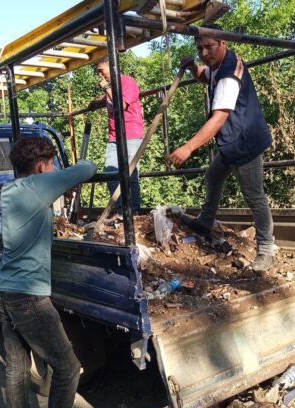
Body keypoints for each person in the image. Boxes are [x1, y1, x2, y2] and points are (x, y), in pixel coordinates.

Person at [0, 136, 97, 408]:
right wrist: (64, 179)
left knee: (17, 368)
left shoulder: (12, 189)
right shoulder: (38, 186)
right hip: (27, 296)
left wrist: (59, 183)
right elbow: (87, 168)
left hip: (4, 288)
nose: (55, 169)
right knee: (67, 368)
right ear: (40, 167)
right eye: (52, 164)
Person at [168, 23, 275, 272]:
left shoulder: (227, 75)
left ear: (223, 43)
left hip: (245, 142)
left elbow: (218, 118)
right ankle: (205, 222)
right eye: (200, 48)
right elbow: (204, 75)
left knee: (255, 196)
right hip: (231, 141)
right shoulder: (218, 65)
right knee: (213, 175)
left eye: (209, 47)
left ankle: (266, 250)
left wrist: (188, 147)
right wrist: (193, 67)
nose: (205, 53)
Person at [89, 57, 144, 212]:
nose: (100, 75)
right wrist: (96, 103)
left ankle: (134, 211)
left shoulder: (127, 81)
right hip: (114, 137)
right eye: (98, 72)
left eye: (102, 71)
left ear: (111, 66)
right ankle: (121, 210)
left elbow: (122, 104)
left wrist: (106, 86)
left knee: (130, 174)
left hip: (130, 134)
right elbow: (109, 98)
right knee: (111, 173)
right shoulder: (112, 87)